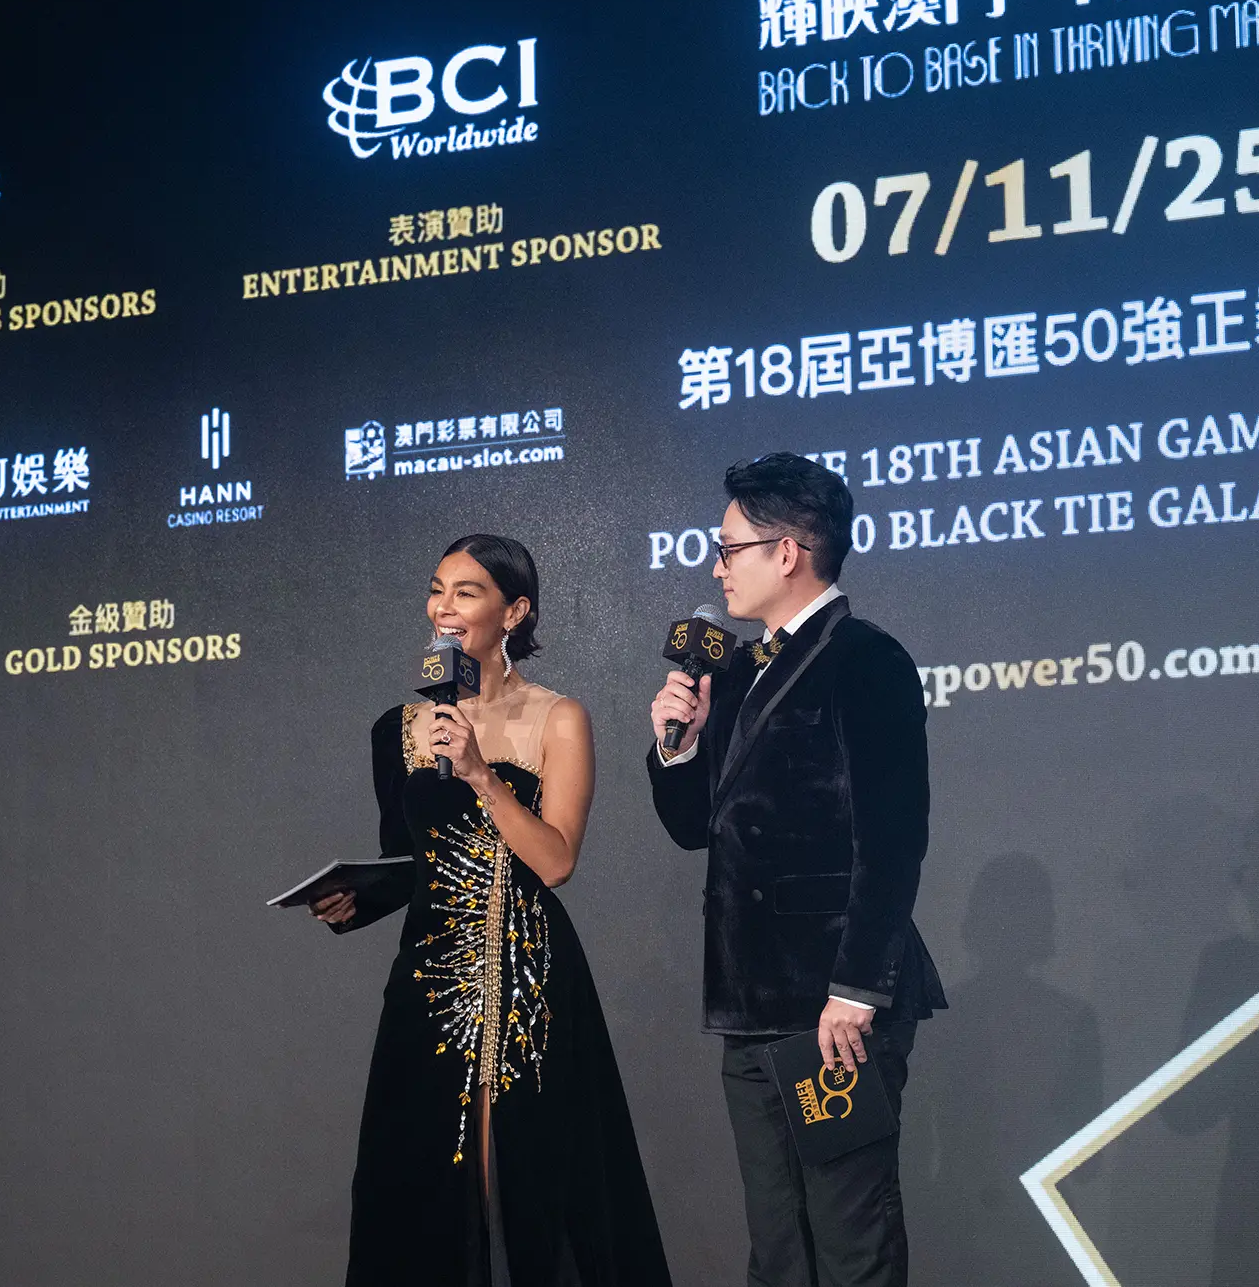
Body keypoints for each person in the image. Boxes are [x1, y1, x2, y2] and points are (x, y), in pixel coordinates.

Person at [311, 534, 672, 1287]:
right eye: (436, 589)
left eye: (466, 592)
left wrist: (480, 773)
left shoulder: (558, 717)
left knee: (526, 1183)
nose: (443, 607)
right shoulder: (399, 729)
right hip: (428, 984)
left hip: (527, 979)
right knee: (417, 1185)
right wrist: (354, 901)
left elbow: (556, 860)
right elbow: (408, 863)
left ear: (515, 611)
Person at [646, 453, 945, 1287]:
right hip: (749, 997)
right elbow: (693, 829)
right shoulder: (734, 670)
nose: (716, 567)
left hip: (831, 1005)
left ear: (787, 552)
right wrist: (678, 747)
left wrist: (856, 989)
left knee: (849, 1232)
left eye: (729, 548)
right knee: (777, 1241)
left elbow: (893, 839)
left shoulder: (865, 659)